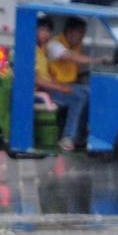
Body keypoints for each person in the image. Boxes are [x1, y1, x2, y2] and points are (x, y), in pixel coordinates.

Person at [35, 16, 88, 152]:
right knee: (78, 97)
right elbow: (37, 80)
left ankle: (81, 135)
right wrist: (60, 87)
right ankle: (68, 137)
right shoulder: (32, 51)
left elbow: (47, 74)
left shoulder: (43, 50)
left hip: (47, 89)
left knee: (86, 92)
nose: (45, 34)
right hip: (39, 93)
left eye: (48, 31)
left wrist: (59, 84)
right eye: (42, 30)